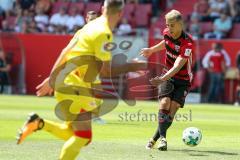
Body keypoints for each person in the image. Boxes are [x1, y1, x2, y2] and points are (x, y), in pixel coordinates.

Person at [16, 1, 126, 160]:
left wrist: (51, 78)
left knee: (82, 135)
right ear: (120, 13)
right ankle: (38, 124)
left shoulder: (89, 26)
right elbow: (106, 70)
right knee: (82, 136)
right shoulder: (105, 33)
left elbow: (65, 51)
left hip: (68, 82)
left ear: (103, 9)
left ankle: (38, 123)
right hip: (74, 84)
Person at [140, 9, 194, 151]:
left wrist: (162, 78)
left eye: (172, 25)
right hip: (168, 75)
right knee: (164, 103)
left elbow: (177, 66)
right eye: (167, 25)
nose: (169, 28)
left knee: (173, 108)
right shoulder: (166, 33)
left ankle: (154, 138)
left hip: (183, 79)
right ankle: (163, 139)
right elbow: (165, 43)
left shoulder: (187, 43)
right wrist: (151, 49)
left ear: (180, 24)